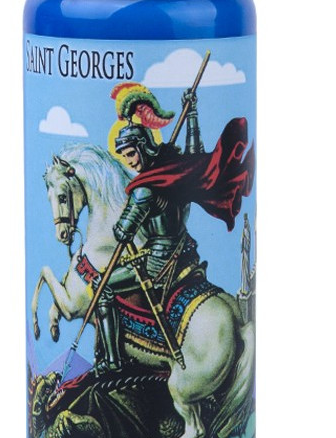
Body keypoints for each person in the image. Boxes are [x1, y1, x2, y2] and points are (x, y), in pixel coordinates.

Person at [94, 87, 254, 374]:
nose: (129, 161)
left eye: (131, 153)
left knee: (101, 286)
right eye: (125, 156)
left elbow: (124, 231)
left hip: (158, 262)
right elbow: (196, 159)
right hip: (185, 253)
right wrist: (192, 116)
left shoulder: (144, 189)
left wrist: (121, 226)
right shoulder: (172, 173)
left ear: (143, 147)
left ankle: (113, 362)